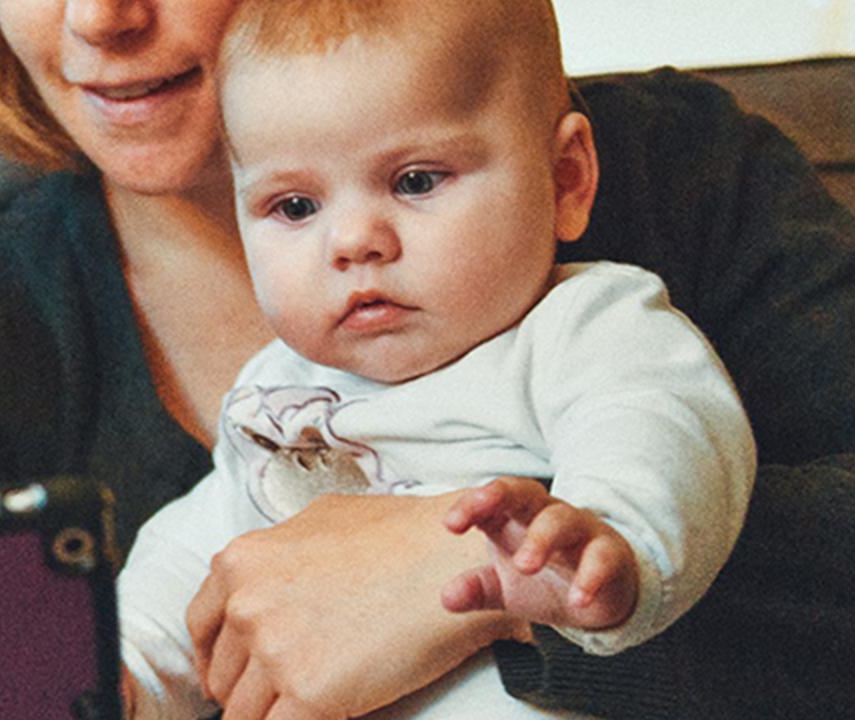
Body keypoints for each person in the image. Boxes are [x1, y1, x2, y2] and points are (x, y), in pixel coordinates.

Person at [0, 0, 855, 716]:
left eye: (420, 185)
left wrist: (479, 581)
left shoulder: (655, 196)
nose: (99, 21)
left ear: (562, 179)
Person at [117, 2, 750, 717]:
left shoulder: (583, 328)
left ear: (566, 178)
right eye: (295, 206)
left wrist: (609, 546)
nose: (353, 241)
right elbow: (199, 555)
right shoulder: (279, 391)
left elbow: (662, 430)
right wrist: (127, 671)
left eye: (415, 181)